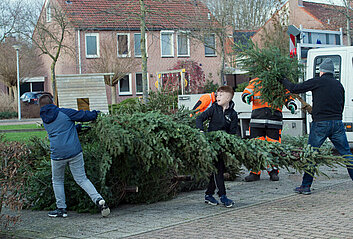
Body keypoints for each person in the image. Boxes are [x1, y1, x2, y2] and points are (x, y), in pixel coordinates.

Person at [278, 58, 353, 195]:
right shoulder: (338, 85)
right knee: (346, 153)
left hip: (320, 124)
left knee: (311, 154)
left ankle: (306, 186)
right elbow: (341, 105)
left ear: (321, 71)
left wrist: (283, 79)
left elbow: (295, 88)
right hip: (337, 122)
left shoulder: (317, 82)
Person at [39, 94, 110, 218]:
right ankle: (98, 200)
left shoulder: (44, 119)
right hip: (74, 152)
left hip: (57, 154)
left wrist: (76, 128)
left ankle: (61, 209)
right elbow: (83, 115)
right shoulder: (64, 112)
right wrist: (97, 114)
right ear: (52, 102)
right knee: (82, 179)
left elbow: (59, 130)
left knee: (57, 181)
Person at [242, 78, 297, 182]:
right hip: (257, 121)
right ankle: (254, 172)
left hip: (274, 121)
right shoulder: (256, 81)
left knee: (274, 148)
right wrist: (246, 97)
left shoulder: (280, 82)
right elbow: (247, 92)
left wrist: (291, 104)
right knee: (255, 147)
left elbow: (287, 97)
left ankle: (273, 172)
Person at [196, 85, 238, 208]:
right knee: (218, 169)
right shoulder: (213, 109)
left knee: (218, 169)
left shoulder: (233, 114)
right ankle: (222, 196)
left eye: (221, 95)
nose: (217, 97)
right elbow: (199, 118)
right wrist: (201, 131)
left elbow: (232, 132)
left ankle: (209, 194)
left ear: (228, 98)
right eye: (217, 95)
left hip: (223, 146)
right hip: (212, 145)